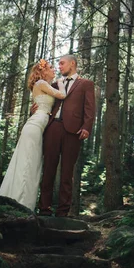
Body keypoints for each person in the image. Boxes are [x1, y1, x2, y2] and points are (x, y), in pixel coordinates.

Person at [0, 59, 66, 211]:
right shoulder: (41, 83)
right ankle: (21, 203)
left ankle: (20, 202)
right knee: (29, 163)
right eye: (50, 67)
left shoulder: (42, 85)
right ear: (43, 71)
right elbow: (62, 95)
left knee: (32, 164)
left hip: (38, 125)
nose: (53, 69)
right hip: (35, 126)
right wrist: (61, 82)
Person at [34, 54, 96, 217]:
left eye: (62, 63)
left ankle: (62, 211)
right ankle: (44, 208)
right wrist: (36, 109)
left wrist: (86, 127)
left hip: (73, 131)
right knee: (48, 168)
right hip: (53, 127)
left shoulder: (86, 84)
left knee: (67, 172)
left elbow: (90, 108)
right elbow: (44, 102)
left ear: (72, 64)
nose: (59, 66)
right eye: (58, 64)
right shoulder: (54, 84)